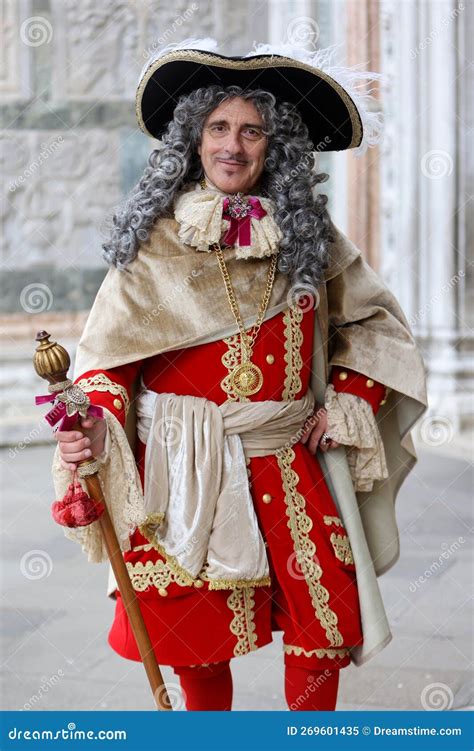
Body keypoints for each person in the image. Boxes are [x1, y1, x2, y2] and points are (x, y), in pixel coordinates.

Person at [51, 40, 427, 711]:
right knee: (196, 638)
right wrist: (93, 428)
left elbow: (372, 327)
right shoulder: (152, 246)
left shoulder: (311, 236)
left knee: (324, 628)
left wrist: (346, 399)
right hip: (185, 469)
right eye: (218, 128)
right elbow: (107, 367)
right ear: (194, 140)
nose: (233, 145)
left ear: (273, 144)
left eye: (252, 130)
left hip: (288, 462)